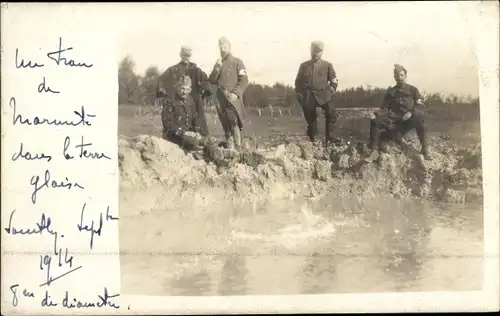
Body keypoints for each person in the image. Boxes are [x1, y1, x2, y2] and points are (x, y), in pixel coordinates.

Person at [158, 75, 238, 163]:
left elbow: (195, 117)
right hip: (174, 135)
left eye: (187, 89)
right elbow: (167, 124)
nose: (185, 92)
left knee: (208, 140)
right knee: (198, 142)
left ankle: (220, 154)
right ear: (177, 87)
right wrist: (183, 132)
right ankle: (219, 160)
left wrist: (197, 131)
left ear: (190, 89)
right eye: (182, 89)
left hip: (187, 134)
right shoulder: (170, 101)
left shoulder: (189, 100)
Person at [365, 64, 432, 162]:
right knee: (374, 120)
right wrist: (376, 114)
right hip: (395, 120)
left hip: (409, 119)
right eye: (397, 75)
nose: (399, 78)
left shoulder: (413, 90)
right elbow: (385, 108)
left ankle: (425, 148)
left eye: (401, 75)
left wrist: (411, 112)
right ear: (394, 77)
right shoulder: (391, 92)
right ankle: (374, 151)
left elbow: (420, 105)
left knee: (421, 117)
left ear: (405, 76)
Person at [157, 46, 212, 136]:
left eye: (188, 55)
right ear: (180, 55)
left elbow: (206, 81)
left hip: (194, 102)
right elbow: (161, 81)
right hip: (177, 101)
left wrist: (204, 92)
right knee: (177, 124)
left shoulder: (196, 70)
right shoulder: (173, 69)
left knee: (198, 125)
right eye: (184, 55)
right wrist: (164, 92)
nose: (186, 57)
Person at [294, 40, 338, 146]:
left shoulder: (327, 65)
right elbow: (297, 82)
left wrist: (330, 92)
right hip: (308, 95)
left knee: (331, 112)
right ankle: (313, 139)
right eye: (314, 51)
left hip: (323, 95)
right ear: (310, 50)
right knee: (311, 119)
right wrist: (300, 95)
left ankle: (329, 136)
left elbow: (334, 81)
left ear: (322, 52)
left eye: (319, 51)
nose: (316, 54)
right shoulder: (304, 66)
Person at [208, 37, 249, 151]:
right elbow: (211, 80)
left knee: (233, 120)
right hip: (221, 98)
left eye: (224, 45)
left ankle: (238, 145)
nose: (222, 48)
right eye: (220, 46)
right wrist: (217, 68)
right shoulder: (219, 63)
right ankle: (230, 145)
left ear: (229, 47)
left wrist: (236, 93)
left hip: (232, 98)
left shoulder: (237, 62)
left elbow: (244, 80)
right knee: (225, 121)